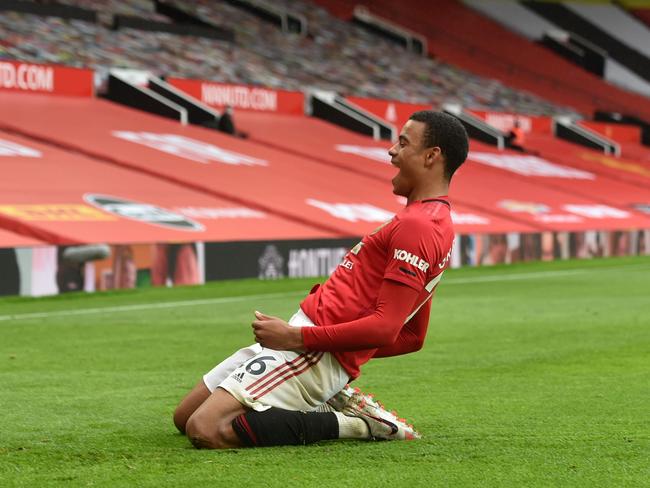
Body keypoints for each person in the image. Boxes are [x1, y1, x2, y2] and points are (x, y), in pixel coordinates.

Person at [173, 110, 469, 449]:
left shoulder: (419, 226)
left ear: (432, 156)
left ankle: (356, 425)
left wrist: (301, 340)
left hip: (308, 350)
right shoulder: (432, 222)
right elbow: (413, 336)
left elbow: (387, 328)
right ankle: (325, 395)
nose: (391, 151)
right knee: (185, 416)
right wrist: (330, 348)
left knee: (206, 429)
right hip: (310, 347)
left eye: (403, 143)